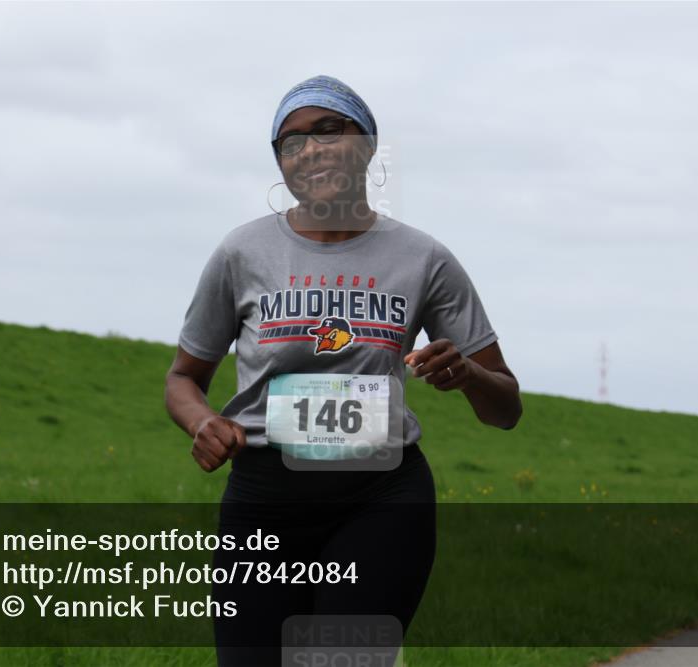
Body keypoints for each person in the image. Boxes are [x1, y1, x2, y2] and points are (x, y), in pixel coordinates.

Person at [165, 74, 522, 666]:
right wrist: (201, 422)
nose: (311, 149)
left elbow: (505, 409)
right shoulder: (241, 253)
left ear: (368, 145)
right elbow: (183, 378)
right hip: (263, 498)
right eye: (292, 141)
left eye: (330, 130)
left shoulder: (424, 258)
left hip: (381, 498)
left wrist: (468, 376)